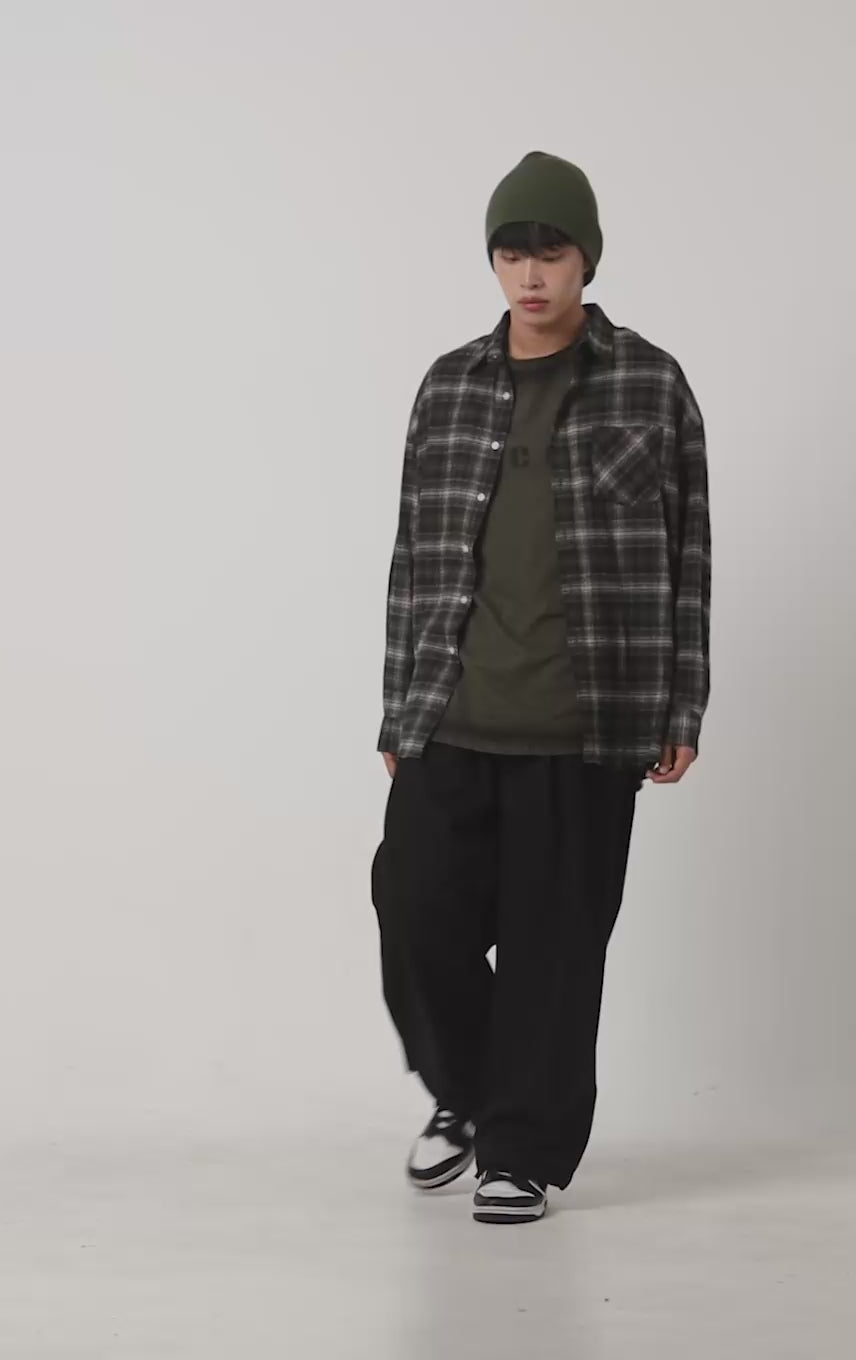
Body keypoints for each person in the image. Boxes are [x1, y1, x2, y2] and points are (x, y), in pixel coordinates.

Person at [369, 149, 712, 1225]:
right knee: (413, 913)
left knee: (553, 956)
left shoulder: (651, 383)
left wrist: (681, 705)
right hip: (453, 714)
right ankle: (471, 1094)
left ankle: (520, 1152)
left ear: (585, 259)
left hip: (588, 722)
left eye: (550, 252)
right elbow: (413, 555)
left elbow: (689, 554)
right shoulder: (449, 384)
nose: (529, 273)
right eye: (511, 252)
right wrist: (399, 706)